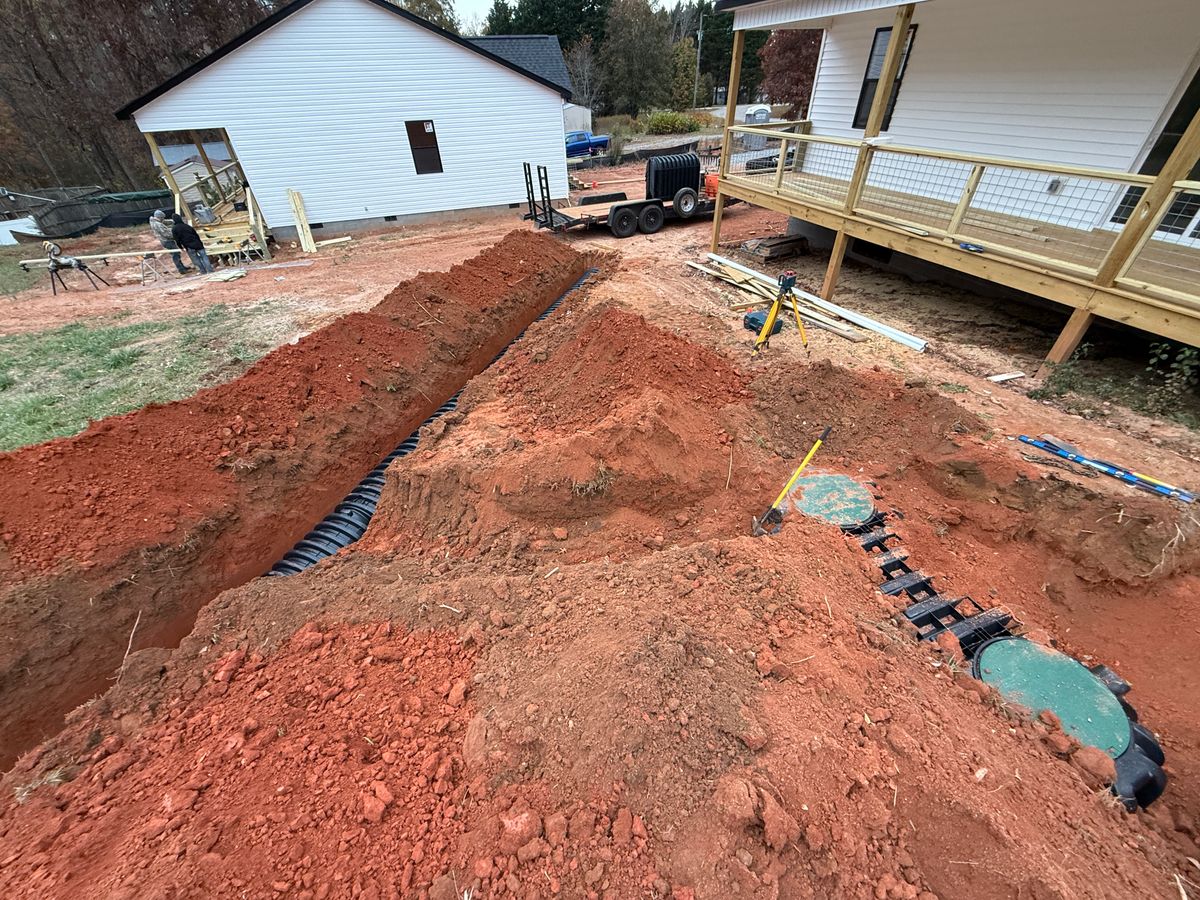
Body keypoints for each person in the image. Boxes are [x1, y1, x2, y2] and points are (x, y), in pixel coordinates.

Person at [148, 209, 190, 275]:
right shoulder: (158, 224)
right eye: (162, 218)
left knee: (176, 254)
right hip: (167, 241)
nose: (163, 219)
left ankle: (182, 267)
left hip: (166, 241)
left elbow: (165, 222)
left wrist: (175, 221)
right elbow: (167, 234)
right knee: (175, 255)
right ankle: (181, 269)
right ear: (159, 217)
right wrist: (176, 233)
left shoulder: (155, 221)